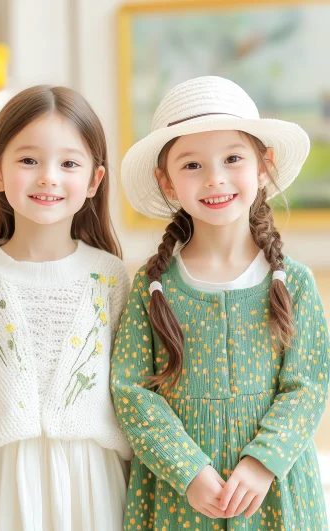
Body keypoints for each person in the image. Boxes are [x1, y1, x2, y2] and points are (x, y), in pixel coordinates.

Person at [111, 76, 329, 530]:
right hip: (179, 501)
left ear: (263, 166)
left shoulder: (296, 284)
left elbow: (308, 386)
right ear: (166, 181)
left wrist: (263, 461)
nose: (215, 178)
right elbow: (131, 392)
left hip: (274, 497)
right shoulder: (152, 289)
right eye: (192, 165)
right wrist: (186, 469)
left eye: (233, 158)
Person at [0, 85, 132, 531]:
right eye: (28, 160)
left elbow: (133, 394)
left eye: (68, 163)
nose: (48, 177)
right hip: (8, 488)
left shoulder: (110, 278)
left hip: (98, 485)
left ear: (94, 180)